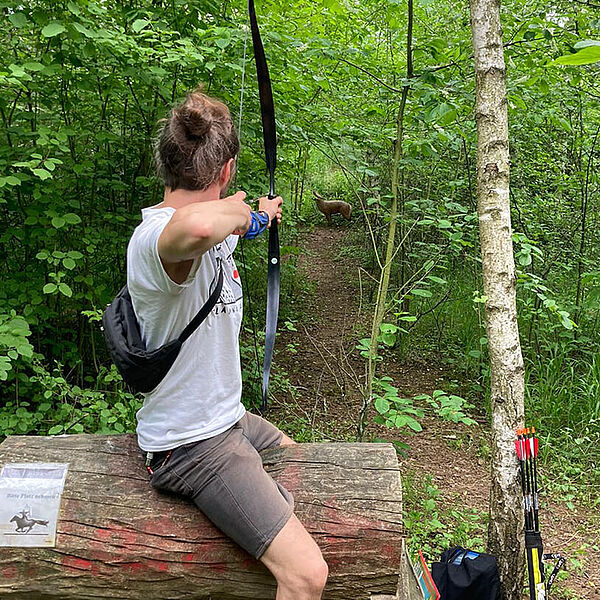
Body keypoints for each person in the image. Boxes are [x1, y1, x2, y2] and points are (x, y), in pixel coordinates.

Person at [126, 88, 328, 600]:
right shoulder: (157, 241)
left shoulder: (217, 227)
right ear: (226, 170)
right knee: (307, 576)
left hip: (224, 418)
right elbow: (196, 226)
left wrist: (260, 215)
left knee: (290, 450)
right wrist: (239, 211)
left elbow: (228, 229)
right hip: (190, 444)